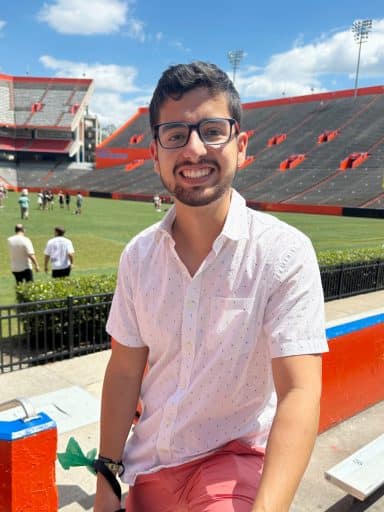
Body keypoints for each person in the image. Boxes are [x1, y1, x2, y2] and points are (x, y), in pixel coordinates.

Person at [94, 61, 328, 512]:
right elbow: (124, 371)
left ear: (241, 146)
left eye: (212, 130)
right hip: (148, 471)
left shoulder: (283, 253)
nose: (195, 149)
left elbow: (300, 391)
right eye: (176, 135)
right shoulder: (138, 257)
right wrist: (106, 482)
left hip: (230, 463)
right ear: (155, 153)